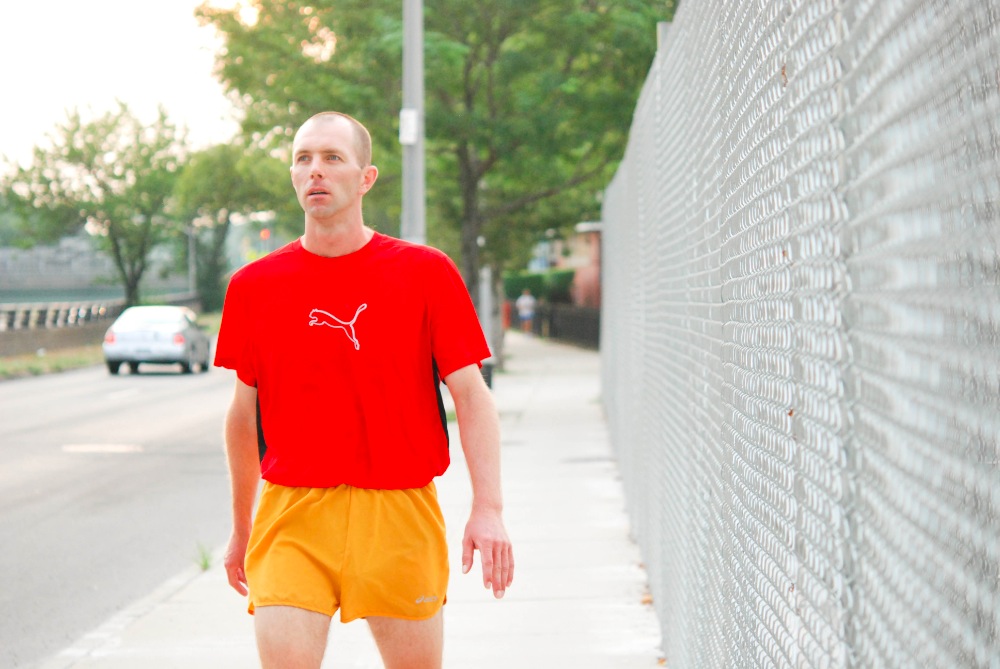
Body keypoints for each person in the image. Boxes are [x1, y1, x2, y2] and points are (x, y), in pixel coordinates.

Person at [214, 111, 513, 669]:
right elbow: (242, 414)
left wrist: (488, 508)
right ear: (293, 175)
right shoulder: (254, 286)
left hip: (398, 509)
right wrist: (240, 528)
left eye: (333, 158)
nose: (316, 171)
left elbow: (471, 396)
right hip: (293, 512)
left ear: (366, 177)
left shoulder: (425, 273)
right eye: (303, 159)